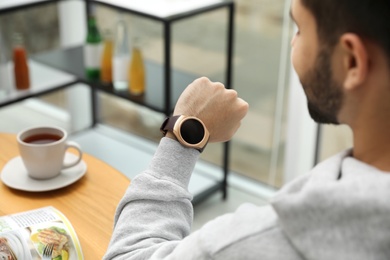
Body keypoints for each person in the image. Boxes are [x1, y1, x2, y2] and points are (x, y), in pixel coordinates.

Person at [104, 0, 390, 259]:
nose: (292, 42)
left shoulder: (269, 239)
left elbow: (126, 255)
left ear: (351, 61)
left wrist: (184, 132)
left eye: (300, 29)